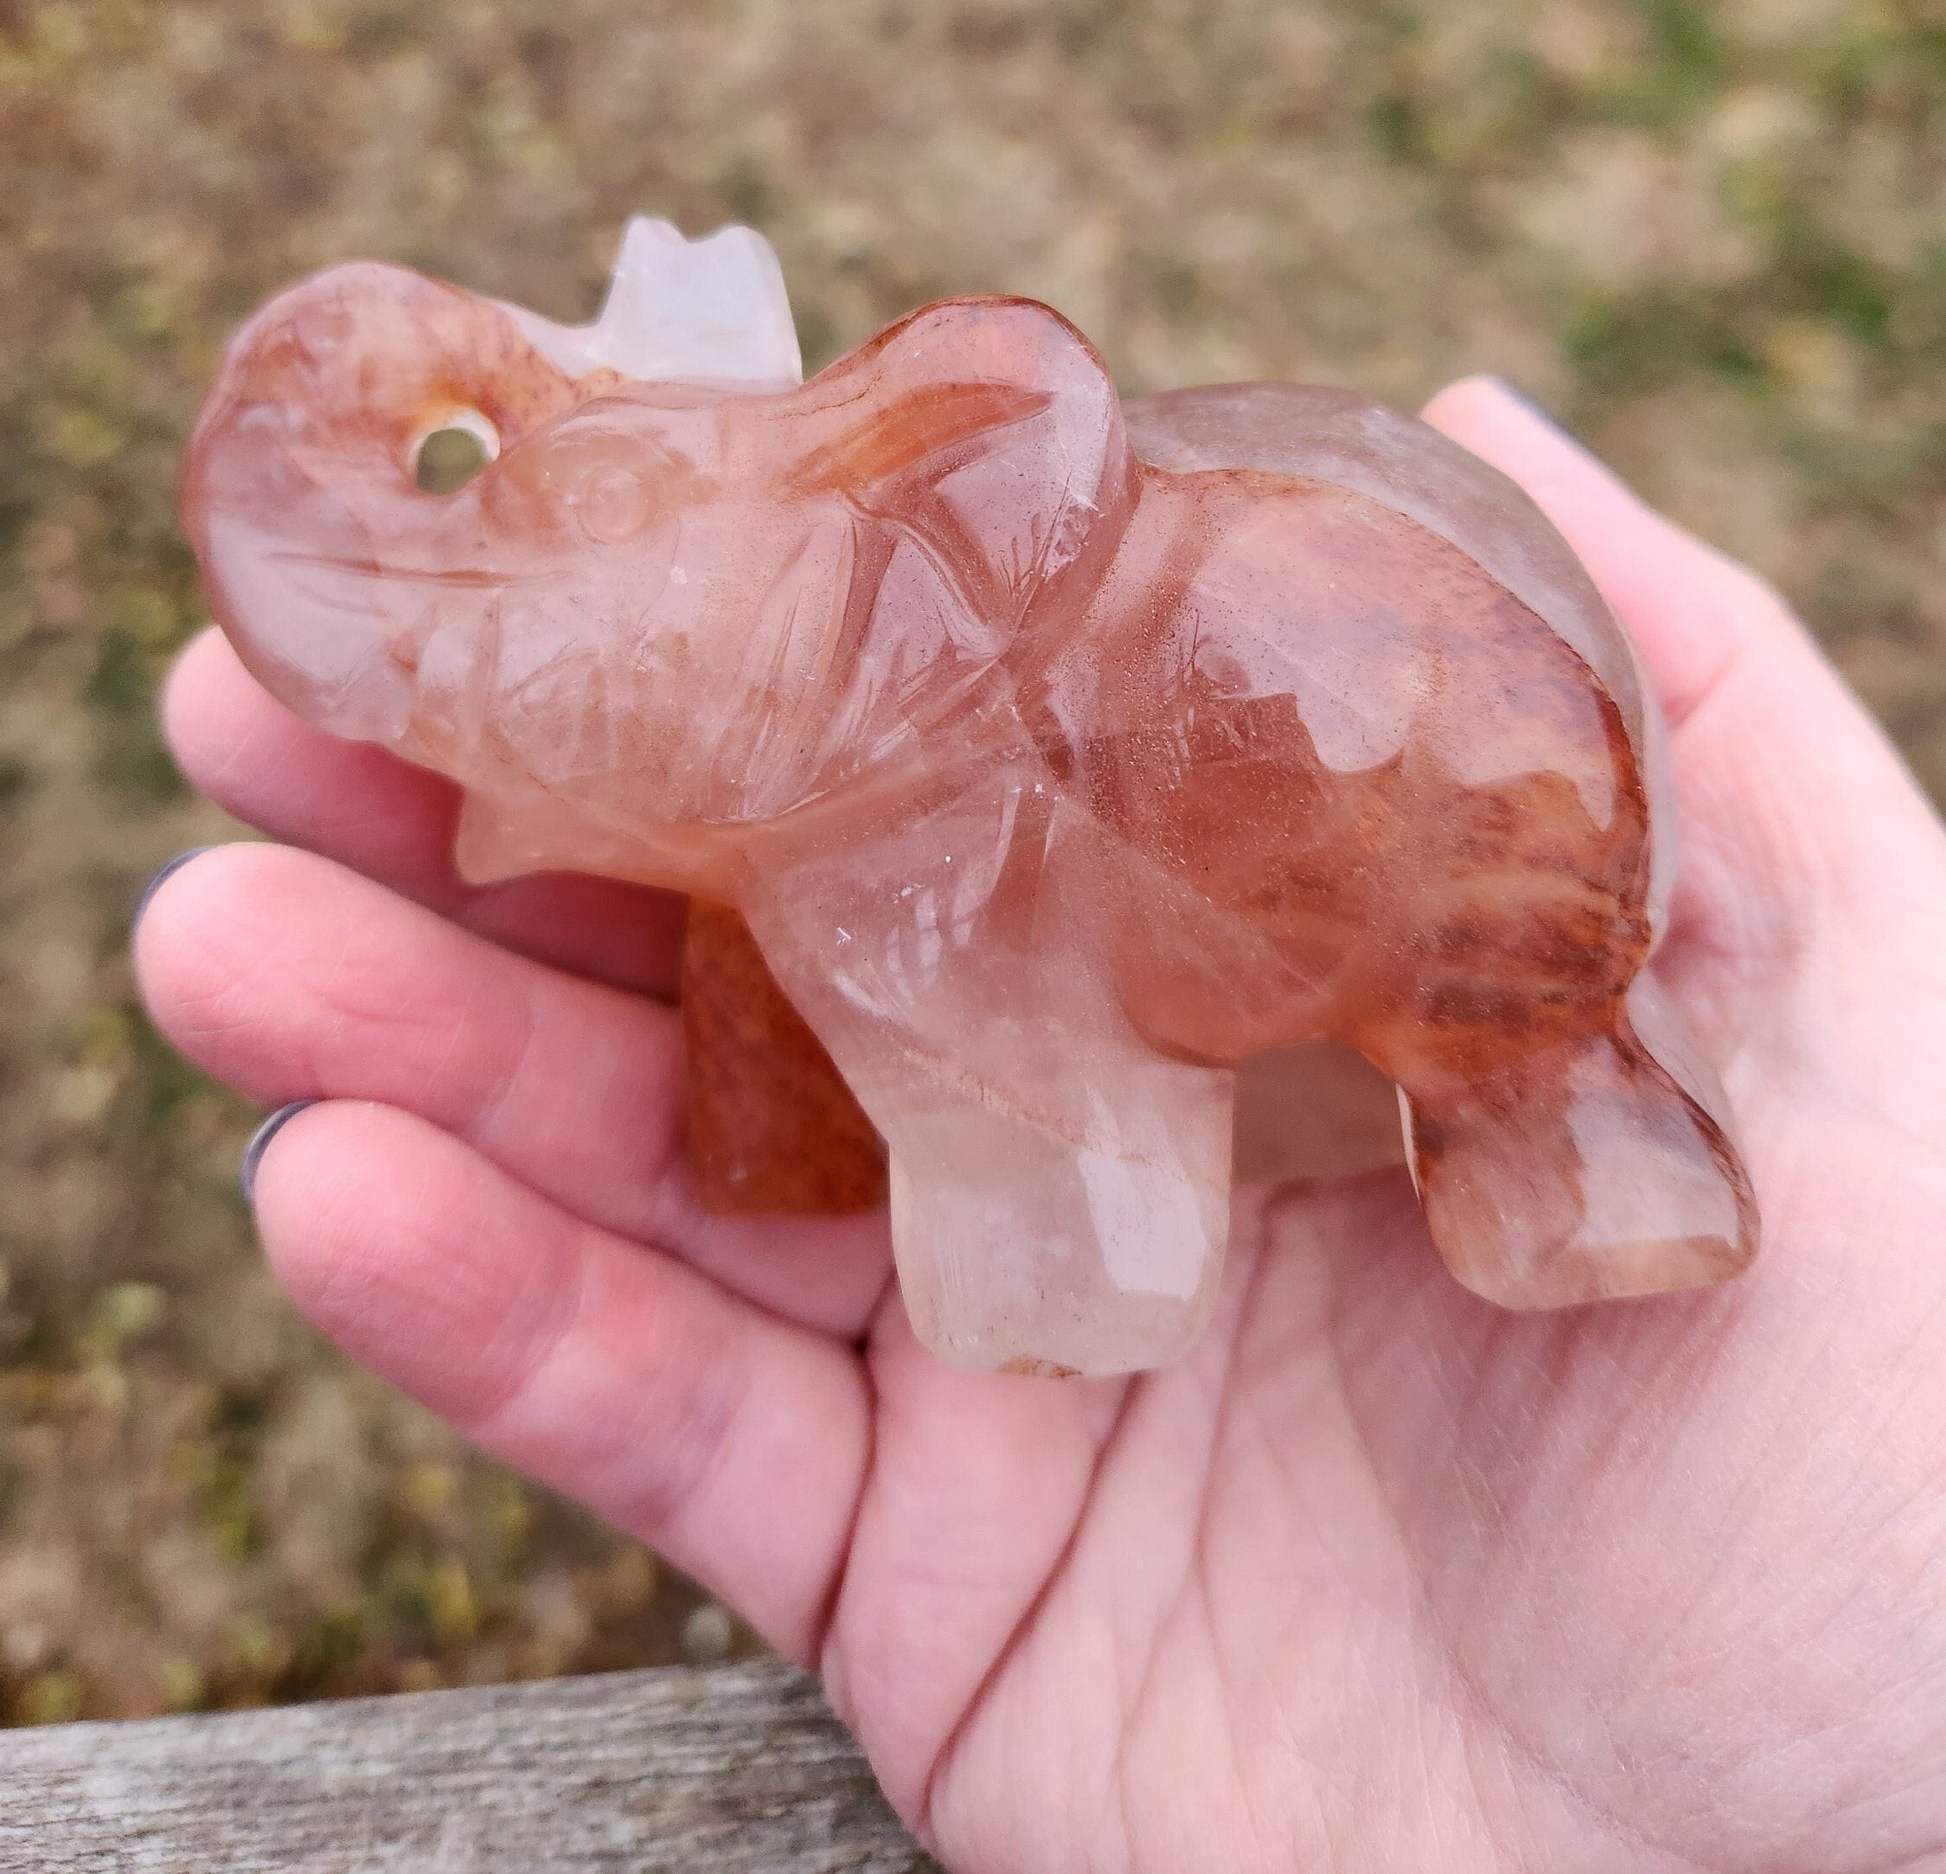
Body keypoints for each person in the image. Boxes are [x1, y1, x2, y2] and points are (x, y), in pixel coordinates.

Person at [134, 378, 1946, 1870]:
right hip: (1375, 877)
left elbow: (1037, 1074)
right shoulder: (873, 728)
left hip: (1445, 864)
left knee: (1064, 1080)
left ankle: (1530, 1117)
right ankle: (1522, 1113)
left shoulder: (905, 822)